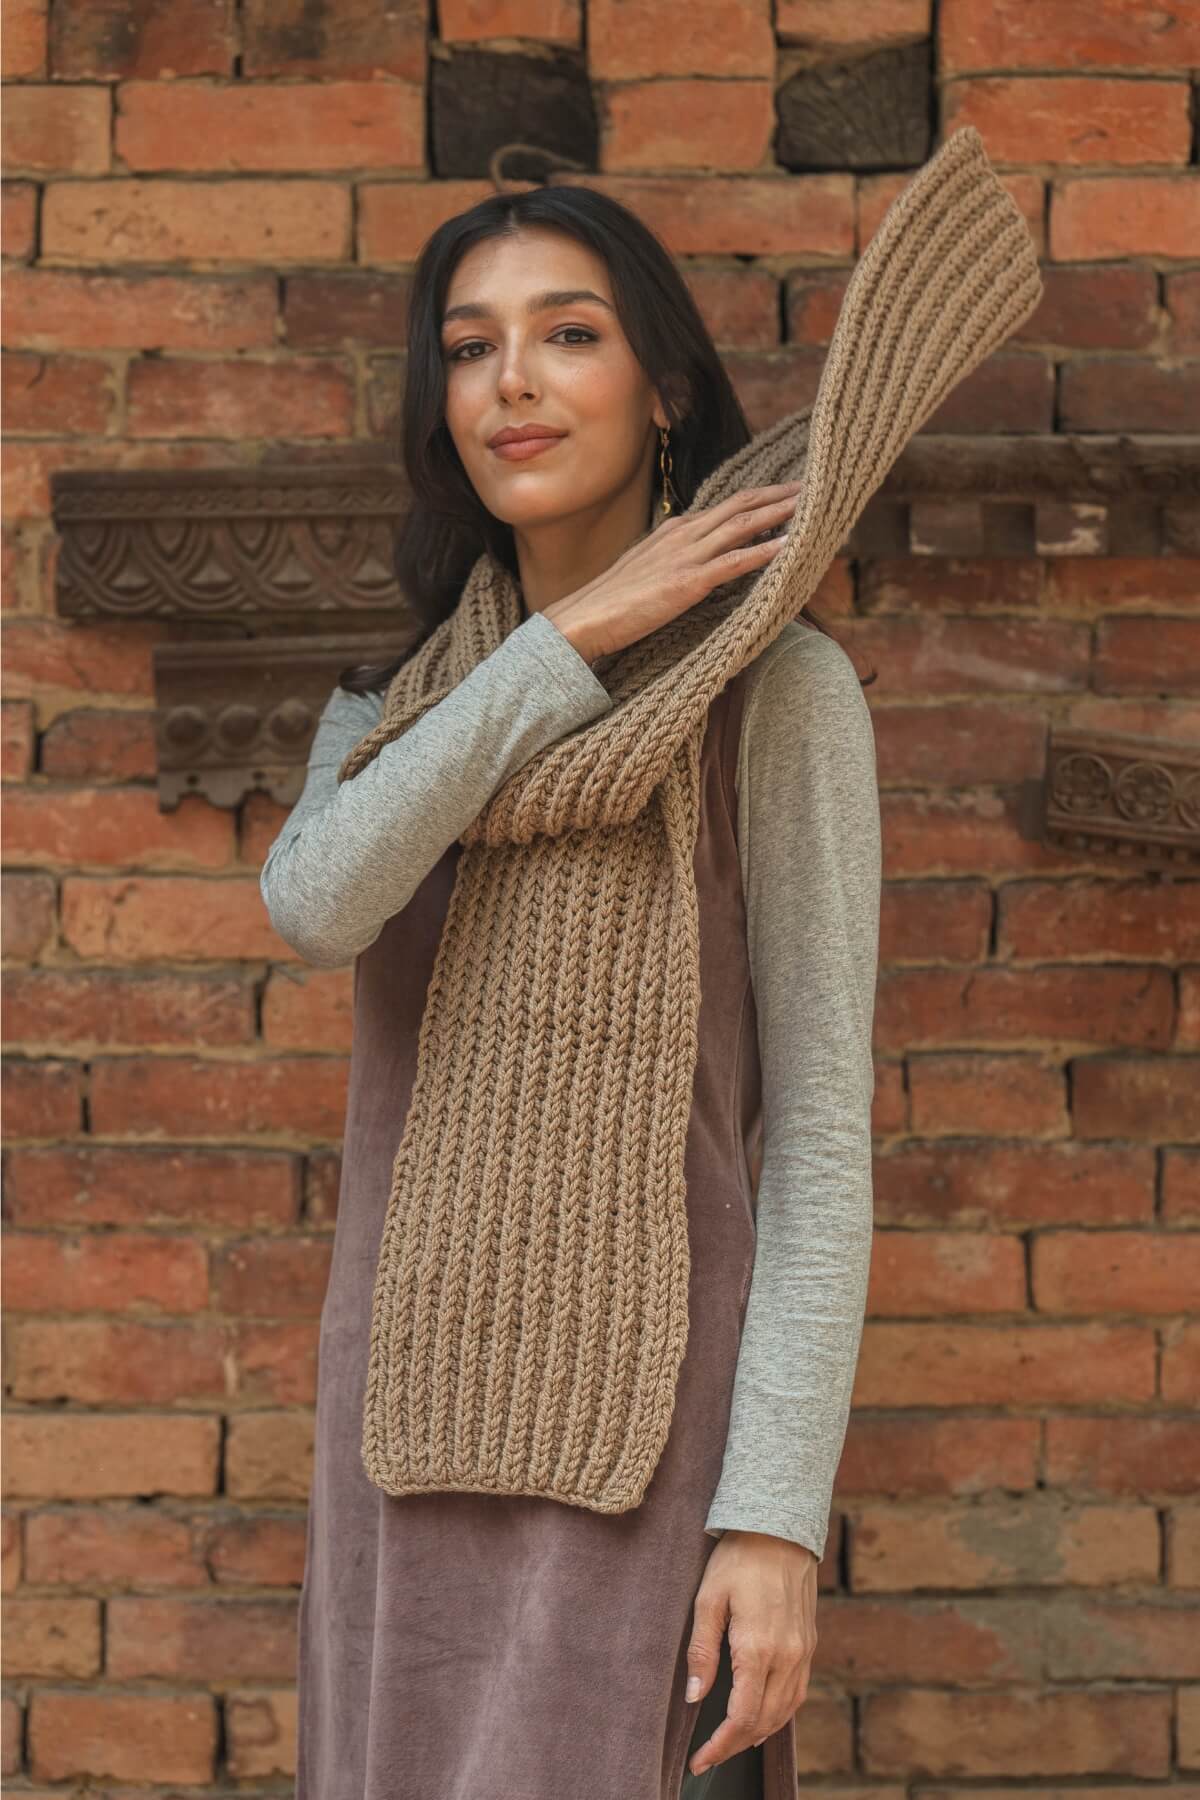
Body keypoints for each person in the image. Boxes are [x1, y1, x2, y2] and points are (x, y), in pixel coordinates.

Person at [259, 128, 1041, 1800]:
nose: (512, 382)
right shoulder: (394, 716)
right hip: (403, 1430)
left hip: (661, 1458)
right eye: (470, 345)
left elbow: (816, 1135)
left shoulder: (779, 696)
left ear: (664, 388)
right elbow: (319, 901)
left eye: (570, 332)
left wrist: (776, 1521)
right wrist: (568, 642)